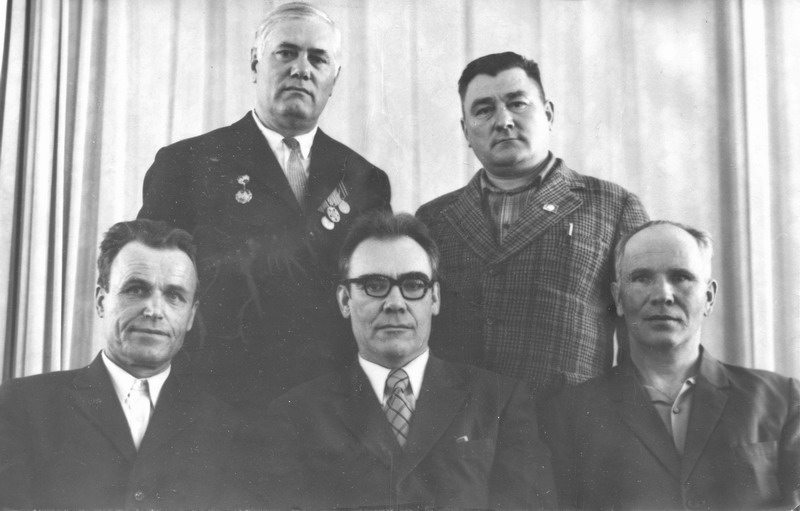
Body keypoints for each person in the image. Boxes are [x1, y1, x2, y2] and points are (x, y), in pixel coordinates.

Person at [137, 2, 391, 410]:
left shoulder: (364, 180)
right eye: (286, 53)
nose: (301, 69)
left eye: (318, 58)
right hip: (214, 403)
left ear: (334, 78)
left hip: (329, 408)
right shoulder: (187, 164)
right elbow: (150, 289)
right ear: (255, 63)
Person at [258, 213, 555, 509]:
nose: (395, 304)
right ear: (345, 300)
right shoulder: (295, 414)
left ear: (434, 298)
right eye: (374, 285)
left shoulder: (499, 402)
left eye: (413, 285)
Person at [416, 51, 649, 401]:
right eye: (484, 110)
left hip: (570, 424)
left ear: (548, 114)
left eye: (518, 104)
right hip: (462, 426)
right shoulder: (433, 219)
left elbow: (642, 341)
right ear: (466, 130)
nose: (504, 121)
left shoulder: (613, 206)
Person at [542, 221, 800, 509]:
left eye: (681, 277)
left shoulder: (783, 400)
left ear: (709, 297)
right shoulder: (567, 415)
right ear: (618, 298)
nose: (663, 295)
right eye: (642, 278)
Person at [0, 219, 252, 509]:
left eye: (174, 296)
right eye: (136, 289)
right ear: (101, 301)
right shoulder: (22, 405)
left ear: (191, 315)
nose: (154, 310)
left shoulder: (223, 426)